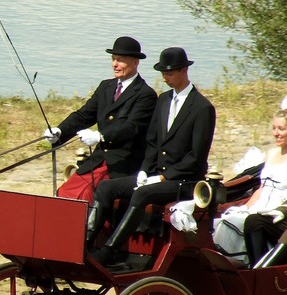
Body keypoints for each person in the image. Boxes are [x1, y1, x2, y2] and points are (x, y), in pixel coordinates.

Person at [89, 47, 216, 267]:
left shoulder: (202, 108)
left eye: (169, 73)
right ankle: (86, 243)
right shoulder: (164, 100)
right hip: (155, 175)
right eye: (163, 74)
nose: (165, 78)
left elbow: (196, 157)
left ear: (184, 70)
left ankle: (110, 251)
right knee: (106, 187)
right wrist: (144, 171)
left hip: (184, 180)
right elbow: (152, 142)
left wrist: (164, 177)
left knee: (142, 194)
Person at [44, 36, 157, 203]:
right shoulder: (106, 87)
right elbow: (84, 115)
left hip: (123, 164)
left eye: (120, 60)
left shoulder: (145, 94)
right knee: (65, 191)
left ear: (135, 62)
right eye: (113, 59)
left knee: (82, 195)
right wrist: (60, 131)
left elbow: (131, 128)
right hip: (98, 160)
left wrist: (100, 136)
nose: (115, 64)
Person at [236, 108, 287, 264]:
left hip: (279, 212)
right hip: (261, 205)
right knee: (232, 219)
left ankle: (259, 269)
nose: (276, 133)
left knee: (254, 222)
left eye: (281, 129)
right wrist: (245, 207)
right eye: (274, 128)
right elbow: (261, 189)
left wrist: (281, 211)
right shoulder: (271, 153)